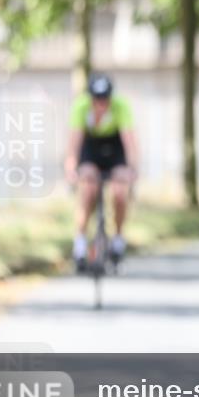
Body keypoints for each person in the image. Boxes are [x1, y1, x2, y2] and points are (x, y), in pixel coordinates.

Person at [64, 74, 139, 271]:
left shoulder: (121, 106)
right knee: (88, 189)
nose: (101, 104)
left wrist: (132, 169)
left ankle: (118, 240)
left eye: (105, 99)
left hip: (115, 148)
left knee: (120, 193)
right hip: (91, 148)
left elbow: (129, 142)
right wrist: (71, 168)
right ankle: (80, 243)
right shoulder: (80, 107)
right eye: (97, 99)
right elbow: (74, 145)